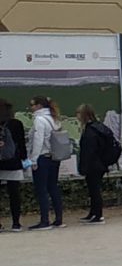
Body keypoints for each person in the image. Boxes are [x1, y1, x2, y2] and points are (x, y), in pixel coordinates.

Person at [74, 105, 118, 223]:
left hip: (94, 165)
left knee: (94, 190)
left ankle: (98, 215)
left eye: (79, 114)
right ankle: (93, 213)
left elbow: (89, 151)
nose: (77, 116)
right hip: (100, 163)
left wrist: (84, 166)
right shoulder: (98, 127)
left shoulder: (90, 131)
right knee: (93, 189)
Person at [27, 96, 64, 230]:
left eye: (32, 105)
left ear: (39, 106)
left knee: (41, 190)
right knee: (53, 187)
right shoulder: (54, 118)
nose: (31, 107)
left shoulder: (39, 120)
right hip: (54, 157)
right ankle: (59, 219)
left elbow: (38, 140)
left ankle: (45, 220)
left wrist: (33, 159)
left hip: (42, 157)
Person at [0, 100, 26, 231]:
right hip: (13, 163)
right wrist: (24, 159)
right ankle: (16, 223)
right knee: (14, 194)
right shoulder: (16, 124)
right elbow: (21, 144)